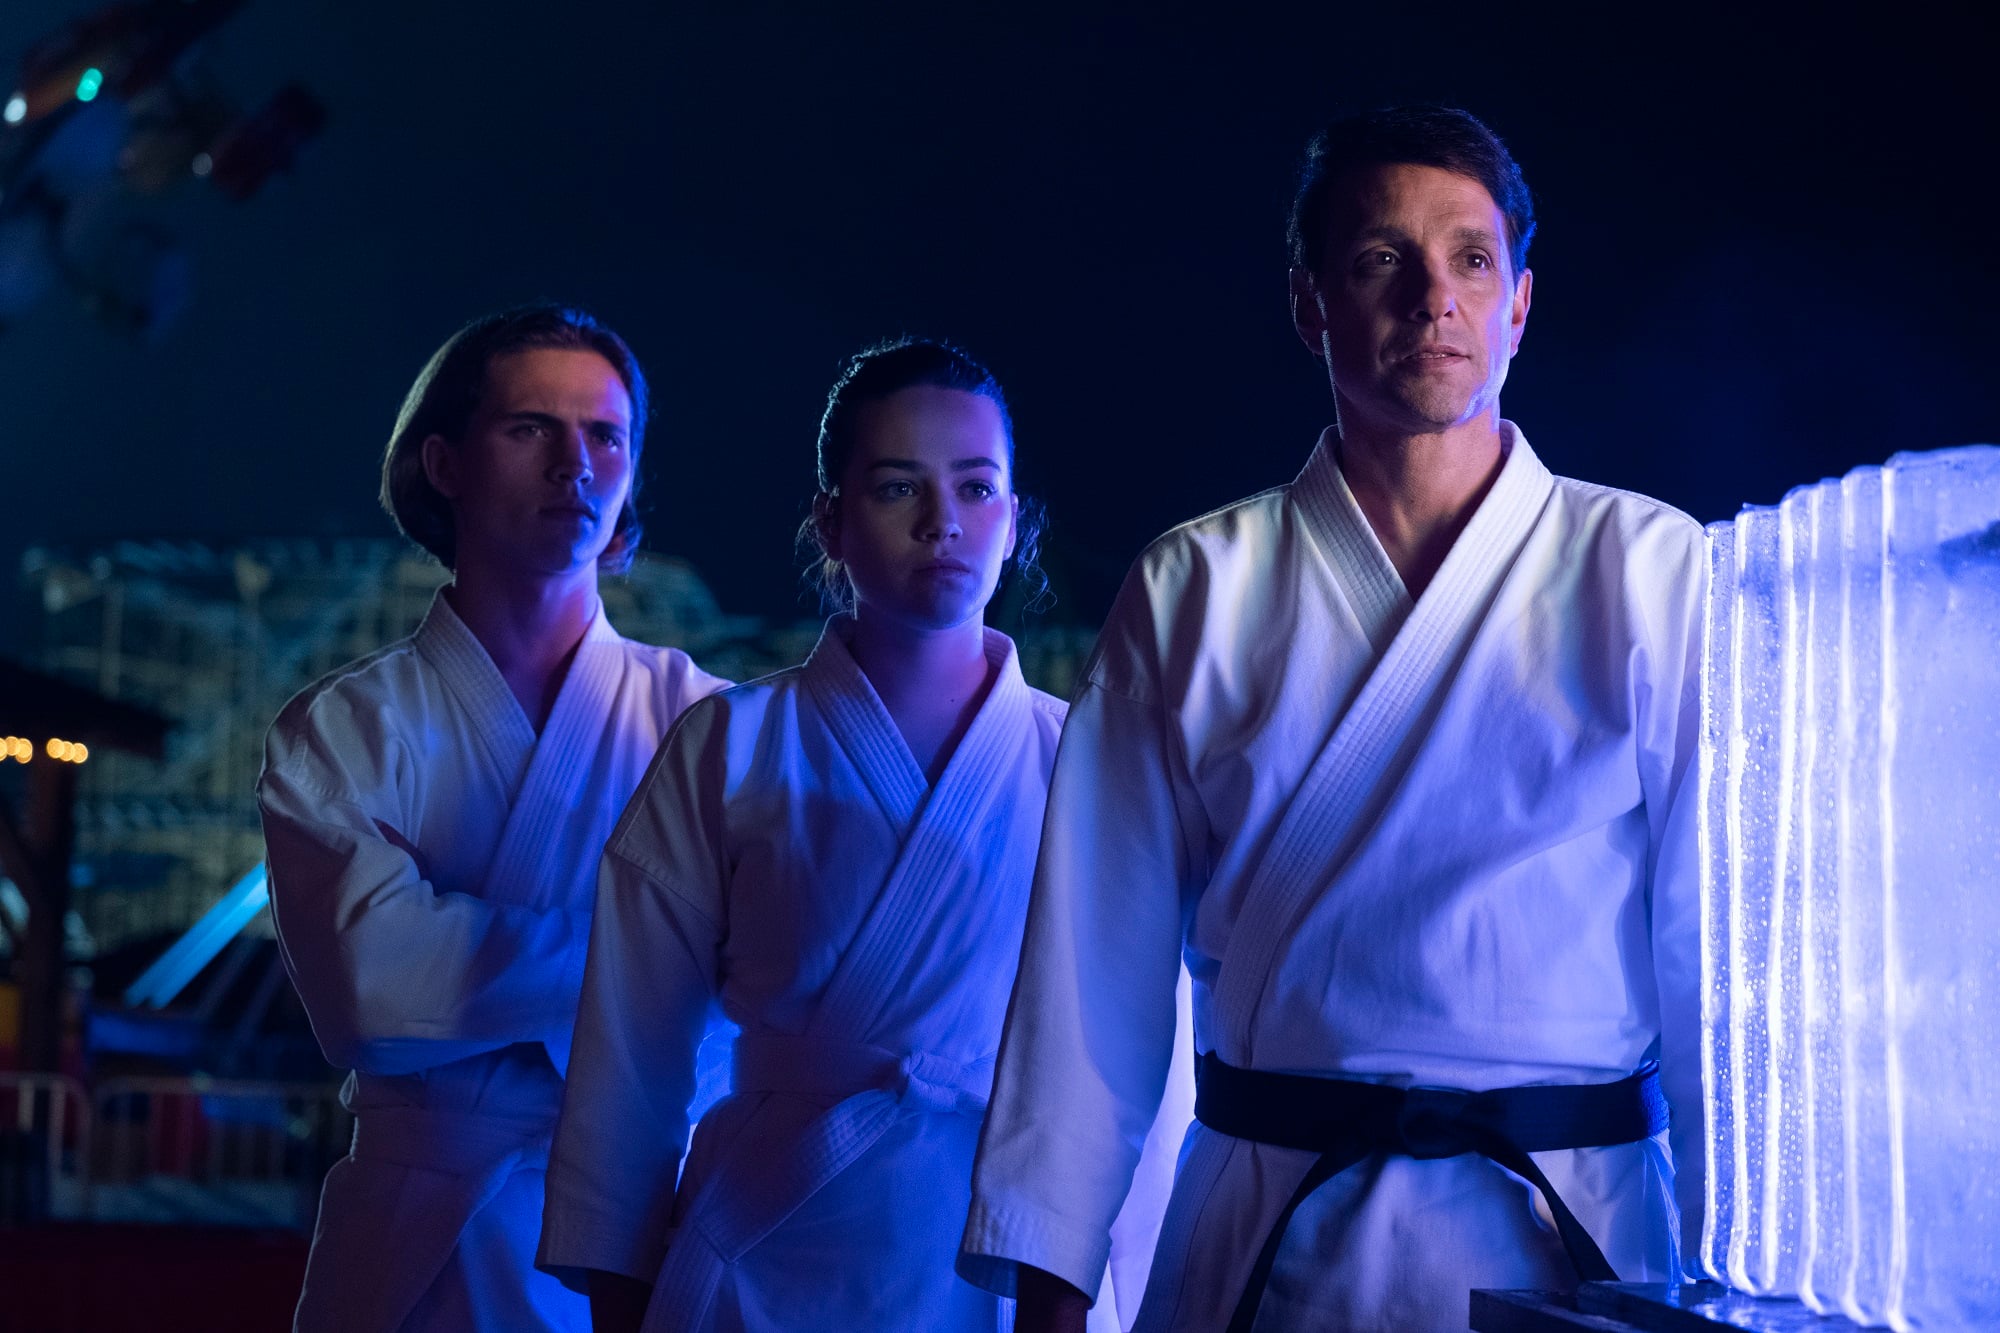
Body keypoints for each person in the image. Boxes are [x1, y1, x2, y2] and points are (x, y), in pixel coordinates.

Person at [959, 106, 1706, 1332]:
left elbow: (1709, 965)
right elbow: (1091, 977)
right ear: (1308, 303)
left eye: (1470, 259)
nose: (1432, 297)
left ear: (1518, 304)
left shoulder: (1651, 569)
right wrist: (1051, 1297)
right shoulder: (1193, 586)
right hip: (1272, 1233)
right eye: (1378, 259)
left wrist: (1736, 1271)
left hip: (1582, 1238)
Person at [538, 338, 1189, 1332]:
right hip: (763, 1255)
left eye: (976, 487)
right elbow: (627, 1071)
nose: (943, 522)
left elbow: (1142, 1080)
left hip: (1006, 1269)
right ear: (829, 521)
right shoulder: (726, 746)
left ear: (1015, 520)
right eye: (897, 488)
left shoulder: (1088, 764)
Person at [258, 304, 728, 1332]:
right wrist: (660, 949)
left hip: (644, 1230)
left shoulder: (710, 722)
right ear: (444, 463)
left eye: (606, 436)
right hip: (420, 1248)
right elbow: (372, 994)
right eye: (530, 429)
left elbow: (758, 977)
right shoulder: (342, 729)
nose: (576, 465)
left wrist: (477, 962)